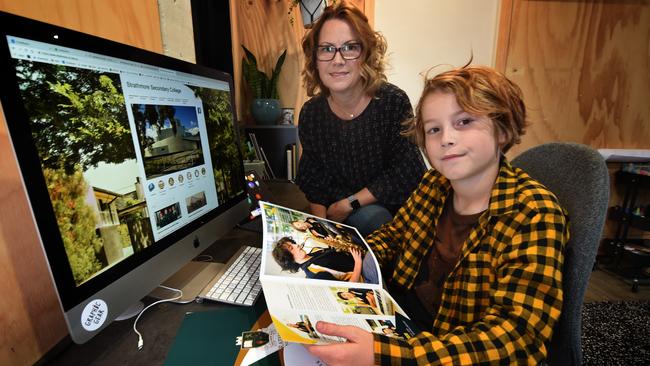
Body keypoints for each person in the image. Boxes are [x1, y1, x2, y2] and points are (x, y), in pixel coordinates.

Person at [304, 64, 570, 365]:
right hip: (402, 318)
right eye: (434, 129)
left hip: (453, 350)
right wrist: (348, 260)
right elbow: (393, 236)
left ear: (503, 129)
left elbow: (515, 338)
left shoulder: (533, 212)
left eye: (464, 121)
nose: (446, 138)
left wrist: (384, 356)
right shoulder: (434, 184)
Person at [295, 1, 425, 237]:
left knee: (373, 218)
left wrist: (349, 204)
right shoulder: (311, 113)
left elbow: (406, 171)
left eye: (349, 47)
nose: (337, 60)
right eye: (326, 49)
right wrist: (321, 231)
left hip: (385, 214)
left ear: (366, 53)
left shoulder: (392, 102)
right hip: (334, 215)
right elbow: (314, 180)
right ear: (314, 58)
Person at [272, 237, 364, 282]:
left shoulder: (314, 250)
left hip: (356, 256)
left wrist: (333, 244)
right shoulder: (315, 275)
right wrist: (358, 262)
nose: (297, 245)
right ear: (290, 259)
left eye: (293, 243)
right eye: (292, 248)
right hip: (362, 273)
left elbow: (336, 258)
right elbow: (349, 287)